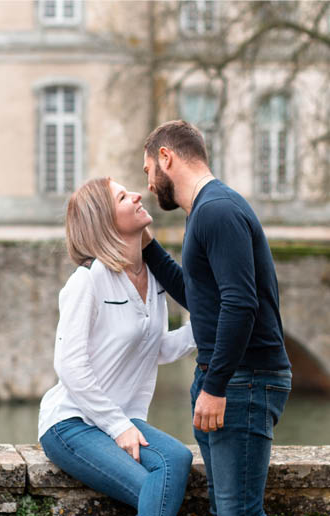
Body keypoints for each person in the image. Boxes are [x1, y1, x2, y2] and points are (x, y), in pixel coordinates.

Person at [141, 120, 292, 516]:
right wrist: (148, 246)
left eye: (148, 172)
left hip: (244, 381)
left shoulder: (217, 211)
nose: (149, 185)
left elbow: (241, 305)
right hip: (226, 379)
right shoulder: (204, 213)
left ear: (166, 157)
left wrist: (215, 386)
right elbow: (199, 296)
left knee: (237, 512)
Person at [38, 177, 196, 516]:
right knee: (156, 487)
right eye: (124, 196)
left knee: (178, 459)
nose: (138, 195)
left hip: (123, 419)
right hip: (71, 423)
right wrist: (117, 426)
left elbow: (159, 349)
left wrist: (211, 321)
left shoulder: (154, 279)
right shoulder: (87, 281)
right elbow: (69, 365)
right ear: (105, 221)